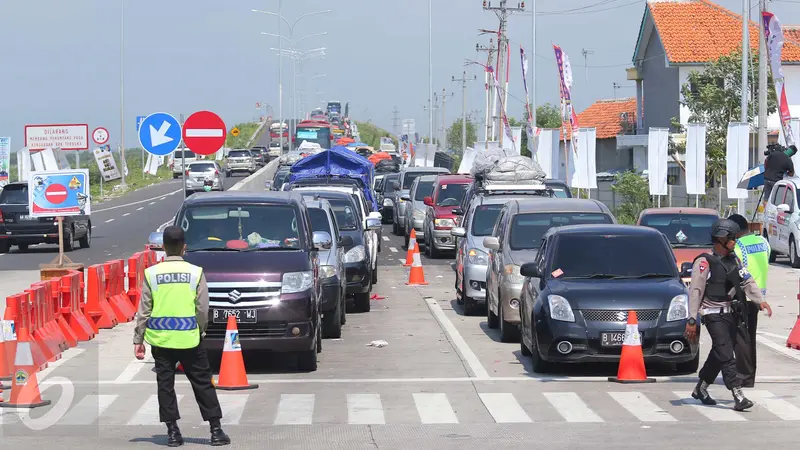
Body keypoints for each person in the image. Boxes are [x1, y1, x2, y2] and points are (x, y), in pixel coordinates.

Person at [133, 226, 230, 447]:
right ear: (184, 247)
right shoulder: (195, 272)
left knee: (165, 385)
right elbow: (203, 308)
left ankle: (173, 433)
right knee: (203, 383)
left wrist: (138, 339)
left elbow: (144, 310)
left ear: (163, 248)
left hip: (161, 340)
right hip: (190, 339)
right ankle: (216, 431)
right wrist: (200, 329)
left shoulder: (152, 273)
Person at [685, 219, 772, 411]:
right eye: (732, 239)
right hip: (712, 314)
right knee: (726, 354)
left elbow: (746, 281)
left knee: (719, 352)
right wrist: (692, 318)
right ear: (721, 239)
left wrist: (760, 300)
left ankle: (701, 388)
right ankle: (738, 394)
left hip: (731, 313)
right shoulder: (704, 262)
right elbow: (696, 291)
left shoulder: (734, 259)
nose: (735, 242)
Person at [728, 214, 771, 387]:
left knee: (741, 339)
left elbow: (735, 272)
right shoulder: (763, 242)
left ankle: (744, 377)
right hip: (759, 296)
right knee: (749, 337)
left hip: (743, 296)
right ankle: (749, 375)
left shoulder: (738, 247)